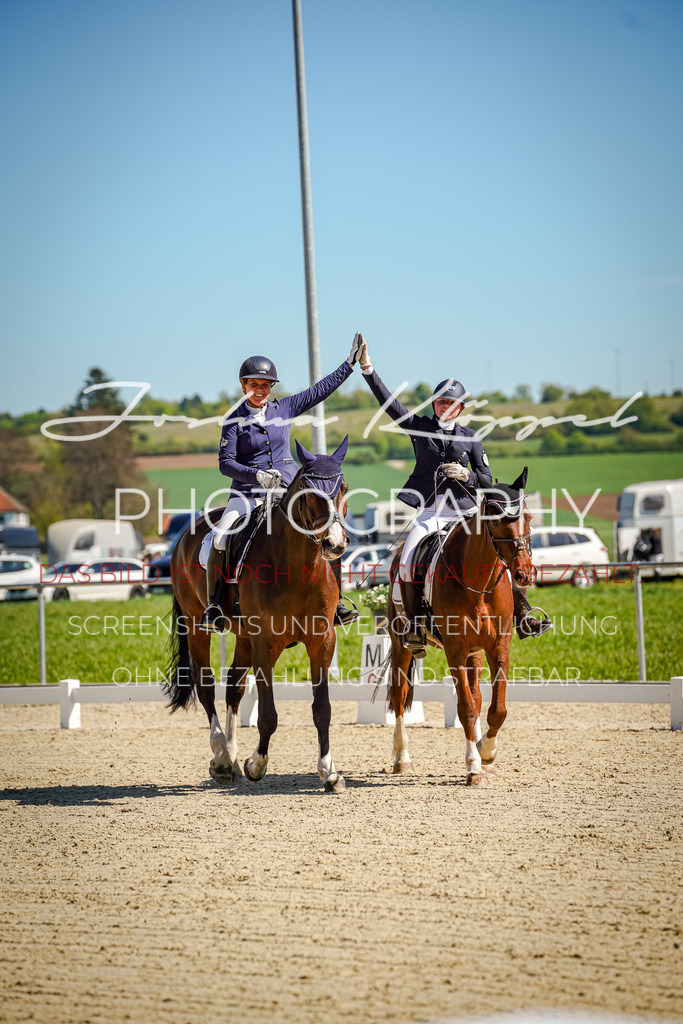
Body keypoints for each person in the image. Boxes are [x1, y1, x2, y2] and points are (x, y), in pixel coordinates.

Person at [355, 334, 550, 655]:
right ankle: (416, 624)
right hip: (430, 514)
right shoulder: (419, 427)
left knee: (501, 553)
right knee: (407, 560)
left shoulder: (471, 438)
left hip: (465, 515)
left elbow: (487, 479)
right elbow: (390, 405)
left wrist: (468, 475)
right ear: (435, 404)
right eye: (441, 402)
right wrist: (368, 370)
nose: (446, 407)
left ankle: (523, 613)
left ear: (460, 408)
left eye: (451, 403)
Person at [200, 336, 364, 631]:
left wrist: (349, 364)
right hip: (247, 493)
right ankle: (214, 606)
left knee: (326, 528)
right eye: (254, 384)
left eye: (265, 385)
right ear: (243, 385)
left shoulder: (284, 408)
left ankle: (335, 602)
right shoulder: (233, 420)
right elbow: (225, 463)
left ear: (271, 388)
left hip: (286, 493)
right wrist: (255, 475)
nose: (260, 390)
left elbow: (319, 391)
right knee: (221, 536)